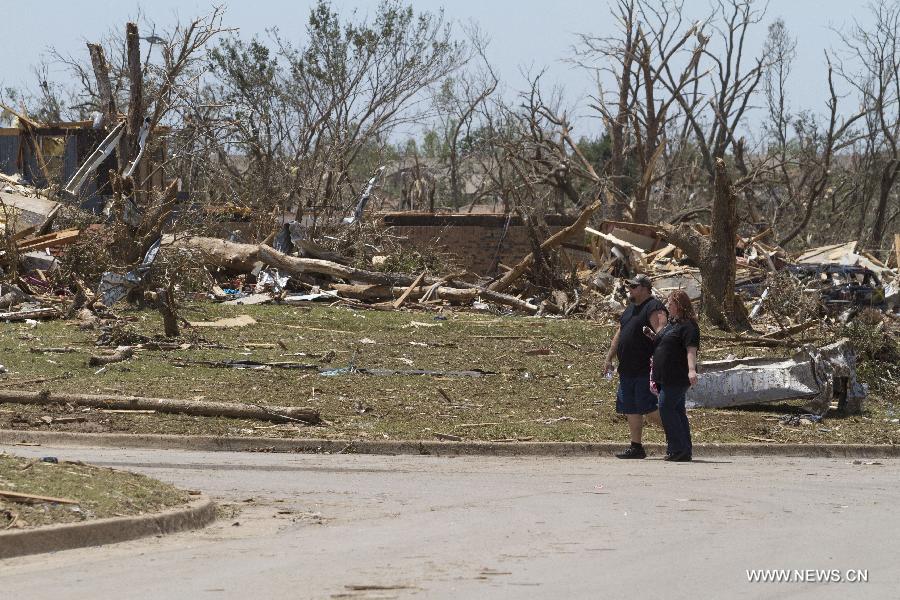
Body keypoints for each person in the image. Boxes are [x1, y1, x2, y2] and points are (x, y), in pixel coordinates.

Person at [604, 274, 668, 459]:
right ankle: (636, 447)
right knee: (630, 406)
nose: (630, 289)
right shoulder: (630, 309)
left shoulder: (654, 307)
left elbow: (661, 334)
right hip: (627, 368)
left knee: (648, 407)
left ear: (645, 288)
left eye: (634, 286)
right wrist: (609, 357)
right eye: (629, 286)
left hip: (644, 367)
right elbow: (620, 333)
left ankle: (675, 435)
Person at [647, 289, 699, 462]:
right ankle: (682, 450)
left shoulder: (689, 326)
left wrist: (691, 370)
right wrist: (651, 335)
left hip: (677, 377)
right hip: (664, 376)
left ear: (679, 305)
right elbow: (664, 343)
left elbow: (691, 350)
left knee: (666, 408)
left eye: (671, 303)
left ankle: (679, 448)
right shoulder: (672, 324)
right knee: (677, 411)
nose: (668, 305)